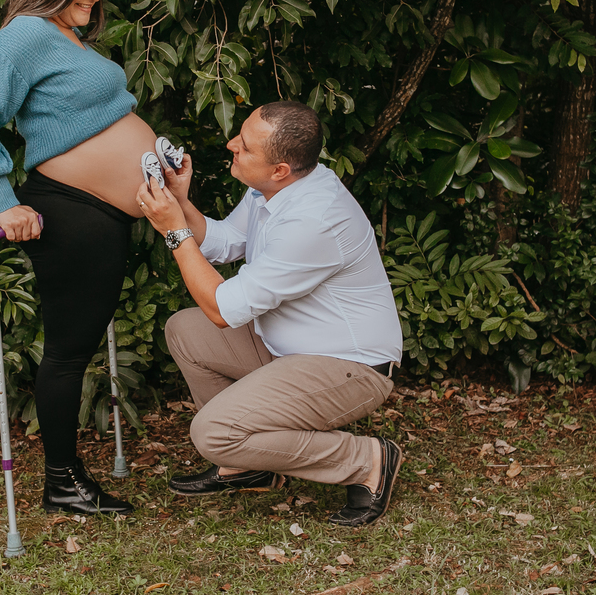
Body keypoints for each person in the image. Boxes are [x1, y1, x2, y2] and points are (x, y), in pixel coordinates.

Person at [0, 0, 175, 516]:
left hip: (98, 215)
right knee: (68, 353)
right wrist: (3, 203)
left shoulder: (67, 38)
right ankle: (62, 483)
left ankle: (65, 479)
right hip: (70, 212)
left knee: (76, 346)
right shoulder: (25, 36)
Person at [136, 101, 405, 527]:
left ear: (280, 168)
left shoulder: (313, 220)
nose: (231, 145)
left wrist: (174, 231)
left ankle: (366, 459)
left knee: (212, 433)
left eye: (243, 146)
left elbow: (223, 309)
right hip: (288, 348)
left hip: (351, 366)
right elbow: (225, 241)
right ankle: (247, 465)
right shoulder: (275, 187)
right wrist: (183, 205)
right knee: (186, 329)